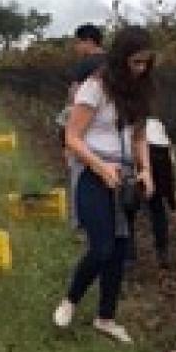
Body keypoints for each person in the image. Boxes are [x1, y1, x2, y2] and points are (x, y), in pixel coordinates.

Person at [52, 25, 156, 343]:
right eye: (135, 62)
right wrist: (100, 166)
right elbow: (72, 137)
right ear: (120, 58)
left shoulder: (141, 91)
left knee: (120, 250)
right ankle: (70, 299)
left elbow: (139, 137)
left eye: (146, 63)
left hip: (123, 177)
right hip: (91, 171)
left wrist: (146, 171)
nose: (141, 69)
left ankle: (106, 317)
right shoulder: (94, 88)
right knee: (101, 247)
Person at [57, 24, 106, 228]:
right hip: (109, 127)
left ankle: (81, 219)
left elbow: (74, 95)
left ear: (88, 41)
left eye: (78, 42)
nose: (76, 47)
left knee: (80, 168)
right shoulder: (114, 62)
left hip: (86, 124)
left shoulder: (86, 65)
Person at [125, 117, 176, 269]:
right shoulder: (157, 124)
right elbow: (171, 156)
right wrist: (171, 187)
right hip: (162, 161)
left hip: (144, 159)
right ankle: (162, 252)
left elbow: (133, 148)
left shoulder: (132, 122)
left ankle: (129, 256)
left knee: (129, 211)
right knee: (157, 208)